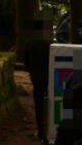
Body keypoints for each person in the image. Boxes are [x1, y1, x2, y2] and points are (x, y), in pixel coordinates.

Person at [24, 14, 54, 144]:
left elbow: (26, 64)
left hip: (36, 78)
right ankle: (50, 130)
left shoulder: (29, 43)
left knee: (38, 104)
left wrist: (32, 70)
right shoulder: (51, 42)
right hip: (49, 78)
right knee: (51, 102)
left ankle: (41, 132)